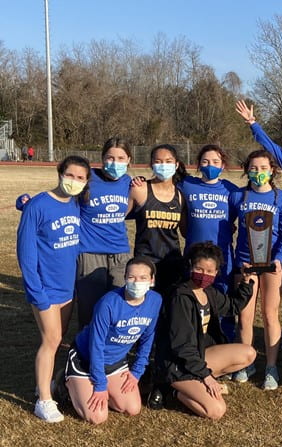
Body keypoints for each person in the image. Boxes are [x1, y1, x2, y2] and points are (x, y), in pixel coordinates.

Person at [16, 155, 91, 422]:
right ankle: (44, 401)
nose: (74, 181)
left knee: (56, 340)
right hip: (44, 289)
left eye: (80, 178)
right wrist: (36, 292)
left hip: (66, 288)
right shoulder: (38, 205)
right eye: (69, 175)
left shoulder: (75, 204)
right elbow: (25, 255)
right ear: (60, 173)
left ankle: (44, 385)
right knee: (50, 340)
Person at [154, 242, 257, 419]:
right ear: (190, 267)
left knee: (248, 353)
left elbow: (232, 307)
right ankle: (171, 388)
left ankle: (193, 383)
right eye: (199, 269)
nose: (204, 275)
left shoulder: (208, 292)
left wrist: (246, 283)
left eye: (209, 272)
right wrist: (207, 377)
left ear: (216, 273)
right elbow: (182, 346)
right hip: (176, 363)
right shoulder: (181, 297)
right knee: (216, 410)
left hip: (197, 356)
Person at [65, 257, 162, 424]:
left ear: (152, 280)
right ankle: (64, 385)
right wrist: (100, 385)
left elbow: (148, 337)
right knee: (97, 417)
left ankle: (94, 388)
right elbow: (96, 345)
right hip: (86, 359)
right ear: (124, 278)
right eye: (131, 277)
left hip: (115, 362)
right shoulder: (108, 303)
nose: (136, 282)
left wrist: (137, 371)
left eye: (143, 278)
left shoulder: (155, 300)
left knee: (132, 409)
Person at [228, 150, 282, 390]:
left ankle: (271, 368)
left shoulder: (281, 199)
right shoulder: (238, 197)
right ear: (247, 170)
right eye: (254, 168)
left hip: (272, 266)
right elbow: (226, 224)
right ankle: (245, 363)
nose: (259, 173)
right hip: (245, 265)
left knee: (269, 315)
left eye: (263, 168)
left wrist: (279, 259)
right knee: (244, 317)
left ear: (272, 170)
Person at [76, 137, 134, 328]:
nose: (114, 163)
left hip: (120, 253)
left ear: (128, 161)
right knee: (90, 308)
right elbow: (60, 198)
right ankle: (85, 351)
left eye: (120, 158)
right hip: (90, 253)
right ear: (102, 158)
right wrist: (26, 202)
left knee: (119, 304)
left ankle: (114, 352)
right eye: (110, 157)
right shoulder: (87, 179)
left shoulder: (129, 183)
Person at [177, 144, 240, 294]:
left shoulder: (231, 190)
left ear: (223, 166)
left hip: (222, 255)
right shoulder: (187, 185)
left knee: (222, 298)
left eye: (215, 162)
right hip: (194, 254)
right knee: (193, 297)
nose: (210, 165)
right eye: (205, 162)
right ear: (199, 164)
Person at [129, 144, 187, 295]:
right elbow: (118, 217)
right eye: (158, 161)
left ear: (176, 164)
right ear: (151, 164)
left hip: (172, 262)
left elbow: (185, 232)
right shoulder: (140, 189)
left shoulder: (180, 196)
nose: (163, 165)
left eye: (168, 161)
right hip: (145, 262)